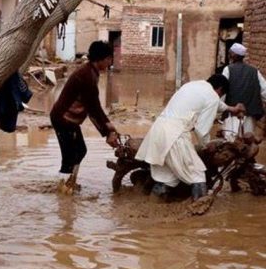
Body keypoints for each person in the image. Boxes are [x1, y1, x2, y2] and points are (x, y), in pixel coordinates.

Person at [135, 74, 243, 200]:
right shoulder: (212, 96)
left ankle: (150, 207)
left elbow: (216, 103)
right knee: (198, 175)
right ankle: (198, 214)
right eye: (220, 94)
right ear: (219, 89)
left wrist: (232, 109)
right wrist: (207, 145)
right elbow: (202, 130)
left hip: (157, 131)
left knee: (167, 179)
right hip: (175, 136)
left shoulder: (192, 86)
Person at [50, 40, 119, 194]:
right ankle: (63, 190)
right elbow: (93, 108)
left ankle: (70, 183)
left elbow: (94, 106)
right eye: (109, 59)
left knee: (80, 150)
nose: (110, 62)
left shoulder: (91, 72)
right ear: (101, 59)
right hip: (63, 119)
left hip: (69, 119)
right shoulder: (87, 76)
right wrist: (107, 132)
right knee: (71, 155)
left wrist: (108, 126)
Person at [221, 43, 266, 139]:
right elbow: (264, 91)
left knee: (231, 141)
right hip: (250, 112)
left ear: (234, 55)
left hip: (233, 113)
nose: (229, 55)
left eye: (230, 53)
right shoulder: (254, 71)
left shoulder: (228, 69)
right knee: (247, 140)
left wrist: (221, 107)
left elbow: (223, 90)